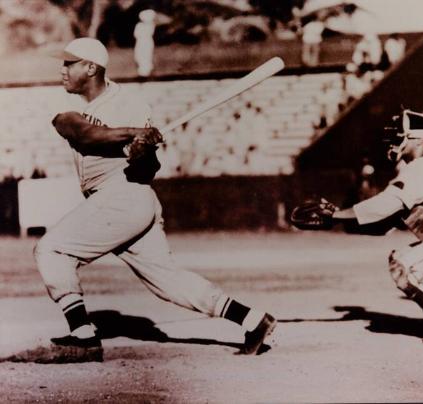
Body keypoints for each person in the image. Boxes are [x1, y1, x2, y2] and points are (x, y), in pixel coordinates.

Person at [35, 37, 276, 362]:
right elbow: (79, 132)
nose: (62, 70)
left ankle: (84, 336)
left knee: (51, 250)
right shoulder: (74, 111)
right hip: (121, 203)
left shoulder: (128, 103)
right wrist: (132, 134)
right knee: (169, 281)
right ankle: (252, 320)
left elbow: (148, 167)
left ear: (90, 68)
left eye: (68, 63)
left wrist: (142, 152)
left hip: (123, 195)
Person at [291, 109, 423, 343]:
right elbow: (383, 224)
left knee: (406, 266)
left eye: (400, 135)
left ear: (418, 139)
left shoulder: (419, 170)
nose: (394, 140)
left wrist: (335, 216)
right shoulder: (418, 169)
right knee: (401, 260)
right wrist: (336, 221)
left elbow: (382, 206)